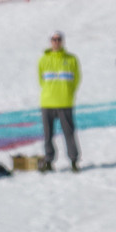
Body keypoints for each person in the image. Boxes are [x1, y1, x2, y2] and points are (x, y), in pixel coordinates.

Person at [39, 30, 81, 171]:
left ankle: (74, 160)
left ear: (62, 41)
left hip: (64, 102)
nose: (56, 42)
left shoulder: (71, 59)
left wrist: (68, 93)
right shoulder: (43, 60)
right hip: (48, 102)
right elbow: (41, 79)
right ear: (50, 41)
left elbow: (76, 79)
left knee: (69, 133)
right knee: (48, 134)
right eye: (54, 39)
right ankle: (49, 161)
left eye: (59, 39)